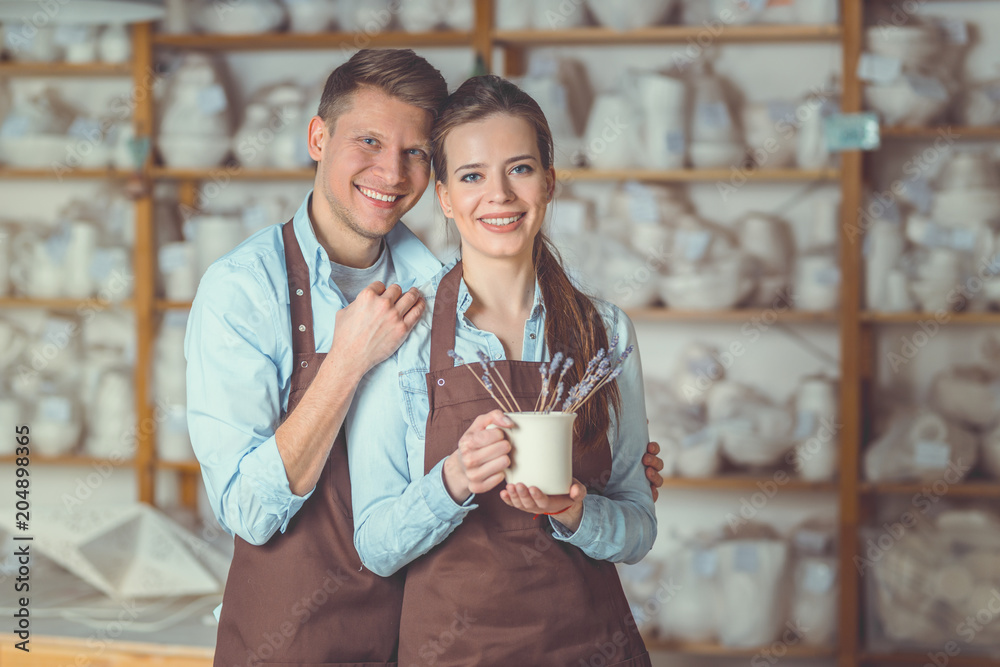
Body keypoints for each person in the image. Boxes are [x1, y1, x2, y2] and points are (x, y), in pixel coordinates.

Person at [346, 74, 656, 666]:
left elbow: (638, 528)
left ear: (549, 181)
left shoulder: (606, 334)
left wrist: (575, 512)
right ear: (442, 196)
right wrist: (454, 478)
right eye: (471, 176)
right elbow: (376, 547)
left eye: (520, 169)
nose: (500, 195)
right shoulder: (402, 335)